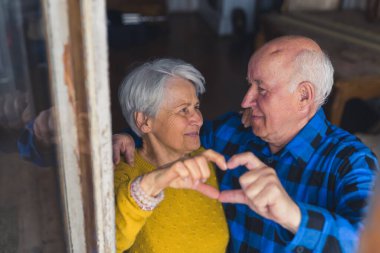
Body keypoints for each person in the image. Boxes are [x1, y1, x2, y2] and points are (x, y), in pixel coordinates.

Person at [112, 36, 379, 252]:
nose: (245, 101)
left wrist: (294, 216)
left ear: (303, 96)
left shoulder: (350, 160)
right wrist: (128, 136)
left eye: (261, 89)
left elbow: (369, 242)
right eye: (249, 85)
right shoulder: (232, 132)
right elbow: (169, 134)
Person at [114, 58, 229, 253]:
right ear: (144, 120)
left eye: (196, 107)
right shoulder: (123, 172)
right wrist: (149, 186)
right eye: (183, 110)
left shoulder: (203, 159)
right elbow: (111, 242)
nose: (198, 119)